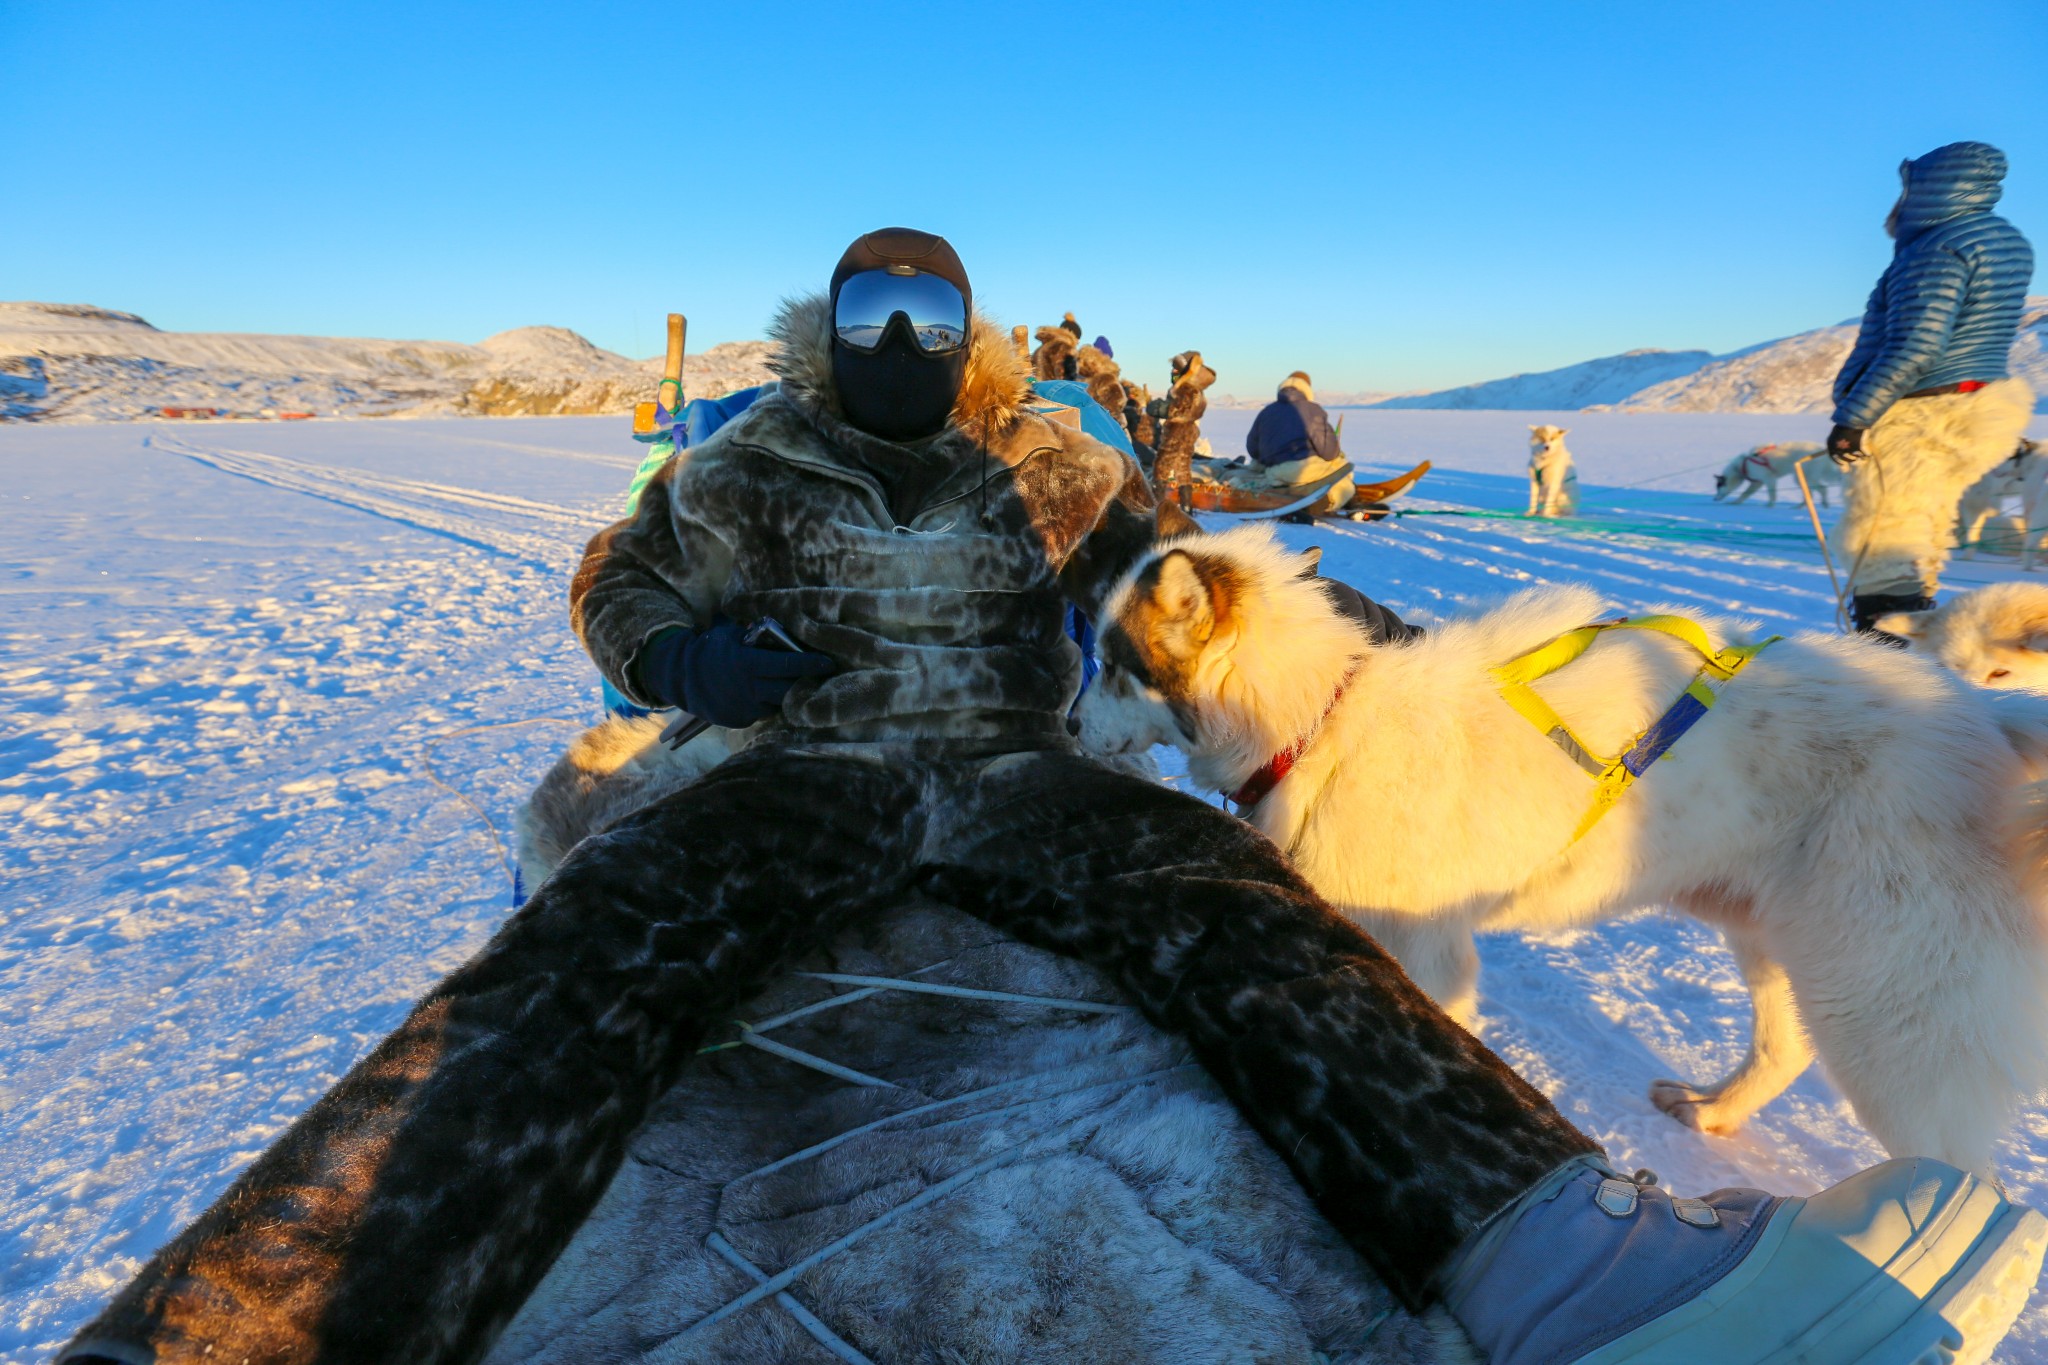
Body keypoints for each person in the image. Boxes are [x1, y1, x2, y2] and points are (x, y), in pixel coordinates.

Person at [62, 228, 2046, 1365]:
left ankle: (1563, 1262)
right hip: (788, 770)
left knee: (1250, 909)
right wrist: (676, 658)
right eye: (874, 329)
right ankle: (225, 1315)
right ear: (826, 341)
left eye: (933, 329)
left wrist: (1342, 663)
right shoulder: (745, 457)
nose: (906, 355)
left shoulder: (1062, 468)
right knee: (576, 967)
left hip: (1026, 783)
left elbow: (1188, 596)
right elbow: (621, 578)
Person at [1825, 141, 2035, 633]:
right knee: (1924, 530)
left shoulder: (1937, 248)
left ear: (1933, 188)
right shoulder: (2001, 239)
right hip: (1973, 407)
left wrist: (1853, 418)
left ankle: (1889, 667)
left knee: (1882, 541)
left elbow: (1916, 345)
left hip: (1921, 416)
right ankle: (1915, 657)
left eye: (1908, 188)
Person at [1246, 370, 1355, 515]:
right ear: (1307, 388)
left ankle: (1294, 494)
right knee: (1343, 474)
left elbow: (1252, 449)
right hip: (1302, 470)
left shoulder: (1266, 411)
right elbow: (1329, 452)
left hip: (1274, 473)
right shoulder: (1312, 409)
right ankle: (1325, 503)